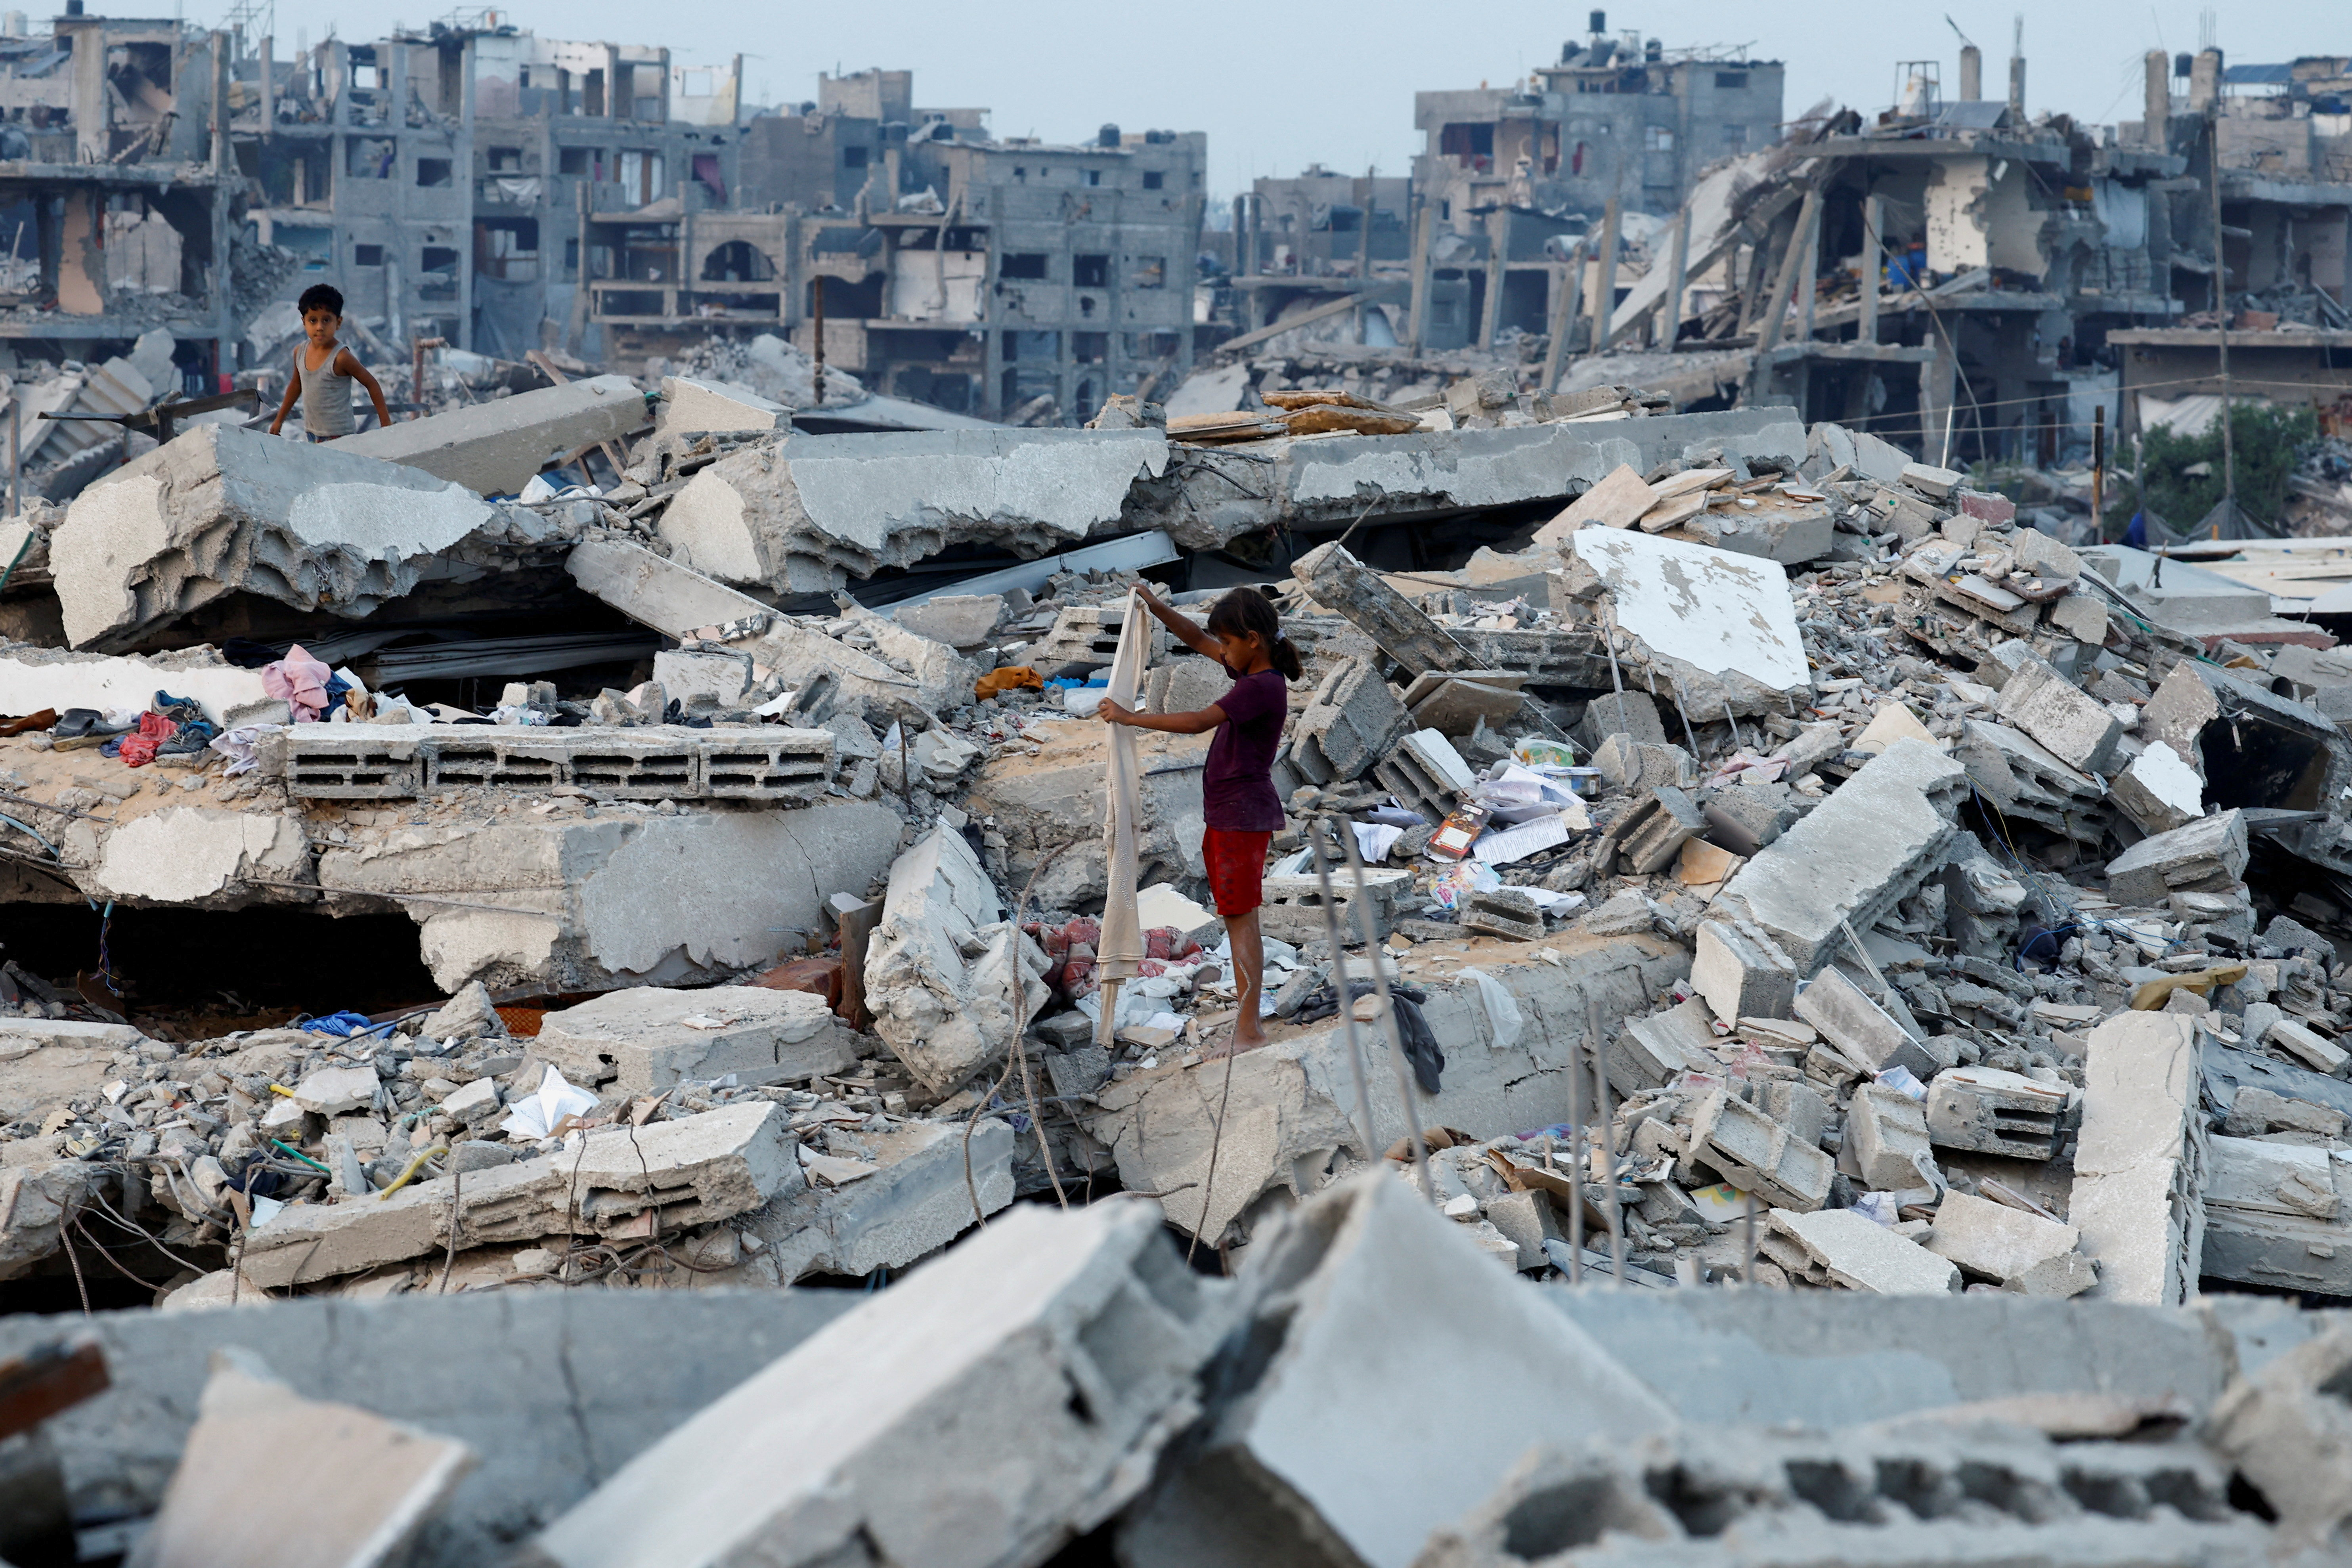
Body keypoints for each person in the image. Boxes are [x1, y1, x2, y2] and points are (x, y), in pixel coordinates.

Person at [1097, 583, 1300, 1054]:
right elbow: (1197, 639)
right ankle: (1248, 1023)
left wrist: (1129, 718)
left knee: (1241, 922)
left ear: (1253, 640)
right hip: (1231, 814)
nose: (1221, 651)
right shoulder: (1251, 668)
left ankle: (1249, 1031)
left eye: (1228, 643)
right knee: (1238, 918)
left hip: (1240, 817)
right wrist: (1156, 606)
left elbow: (1197, 722)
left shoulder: (1260, 687)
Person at [268, 283, 390, 442]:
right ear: (304, 322)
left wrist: (386, 423)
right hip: (312, 432)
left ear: (338, 323)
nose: (320, 327)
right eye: (313, 321)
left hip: (339, 435)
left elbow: (371, 383)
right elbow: (296, 386)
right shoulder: (300, 352)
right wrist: (279, 421)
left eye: (326, 320)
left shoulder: (341, 357)